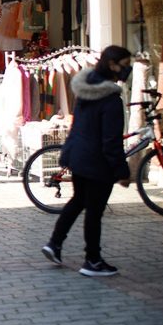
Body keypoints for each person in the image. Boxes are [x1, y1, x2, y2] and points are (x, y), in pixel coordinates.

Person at [43, 45, 132, 277]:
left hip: (79, 157)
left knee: (78, 201)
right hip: (97, 163)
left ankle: (54, 243)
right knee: (94, 211)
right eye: (124, 64)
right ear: (113, 65)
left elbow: (77, 128)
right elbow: (111, 141)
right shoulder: (110, 99)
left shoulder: (85, 89)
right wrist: (122, 171)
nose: (127, 69)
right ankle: (92, 260)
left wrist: (68, 154)